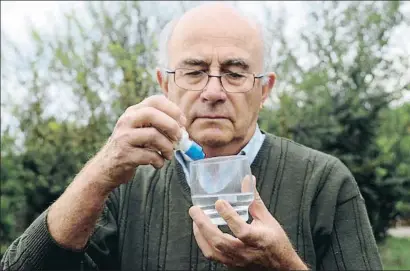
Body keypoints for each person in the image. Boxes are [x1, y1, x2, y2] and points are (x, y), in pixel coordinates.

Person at [1, 3, 382, 271]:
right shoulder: (125, 185)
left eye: (234, 73)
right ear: (164, 84)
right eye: (194, 71)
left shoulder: (324, 182)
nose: (213, 91)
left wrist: (283, 266)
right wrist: (100, 173)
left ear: (264, 90)